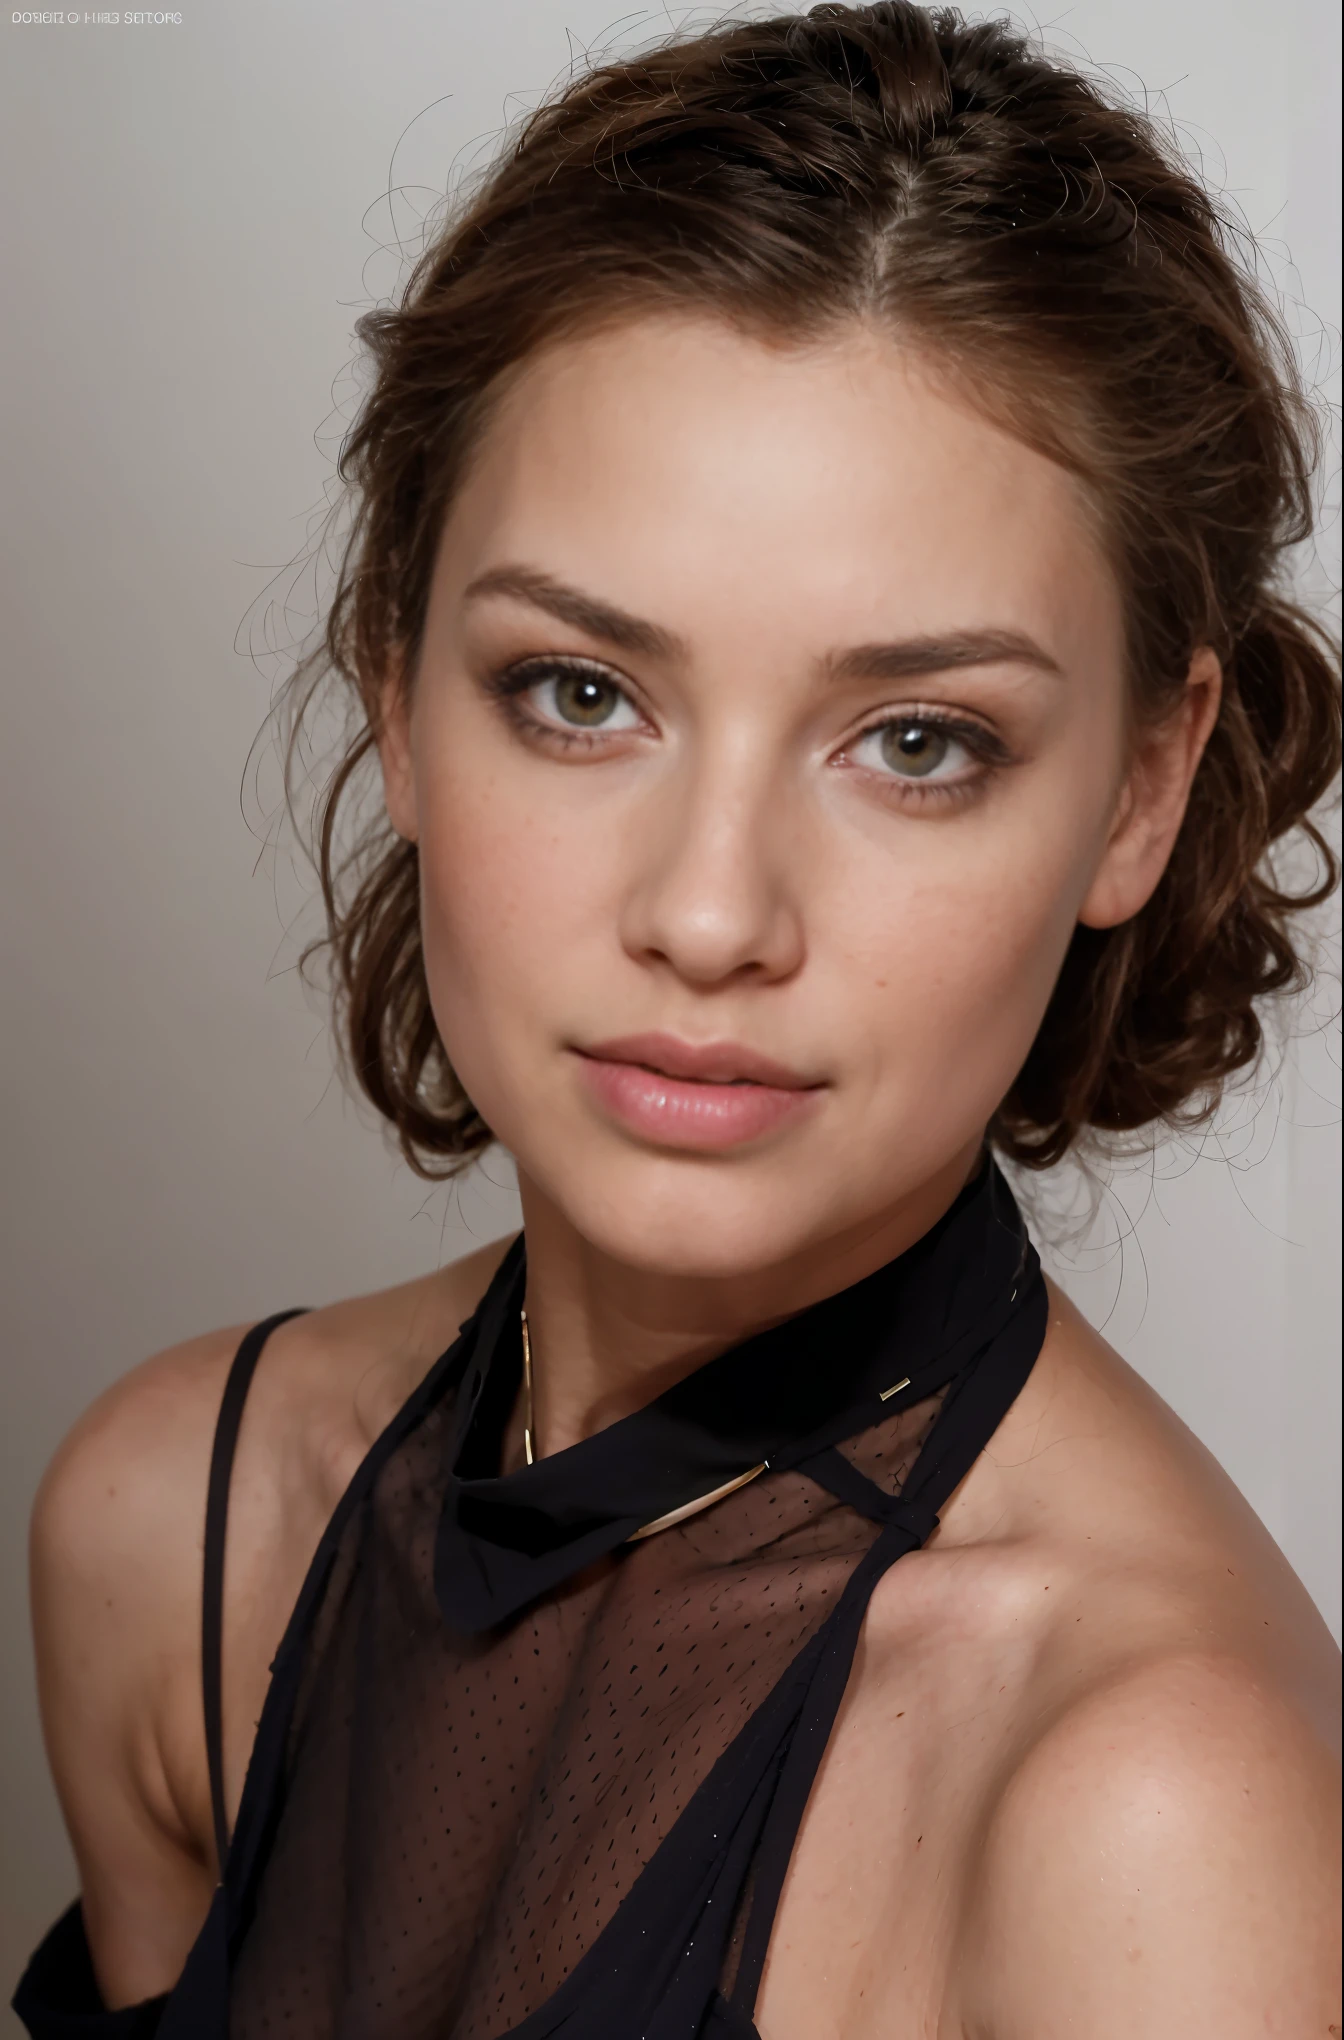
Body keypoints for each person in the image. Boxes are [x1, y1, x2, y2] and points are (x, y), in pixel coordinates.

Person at [14, 3, 1342, 2035]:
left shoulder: (1152, 1818)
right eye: (579, 691)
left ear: (1146, 788)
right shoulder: (166, 1535)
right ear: (393, 670)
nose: (711, 916)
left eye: (917, 739)